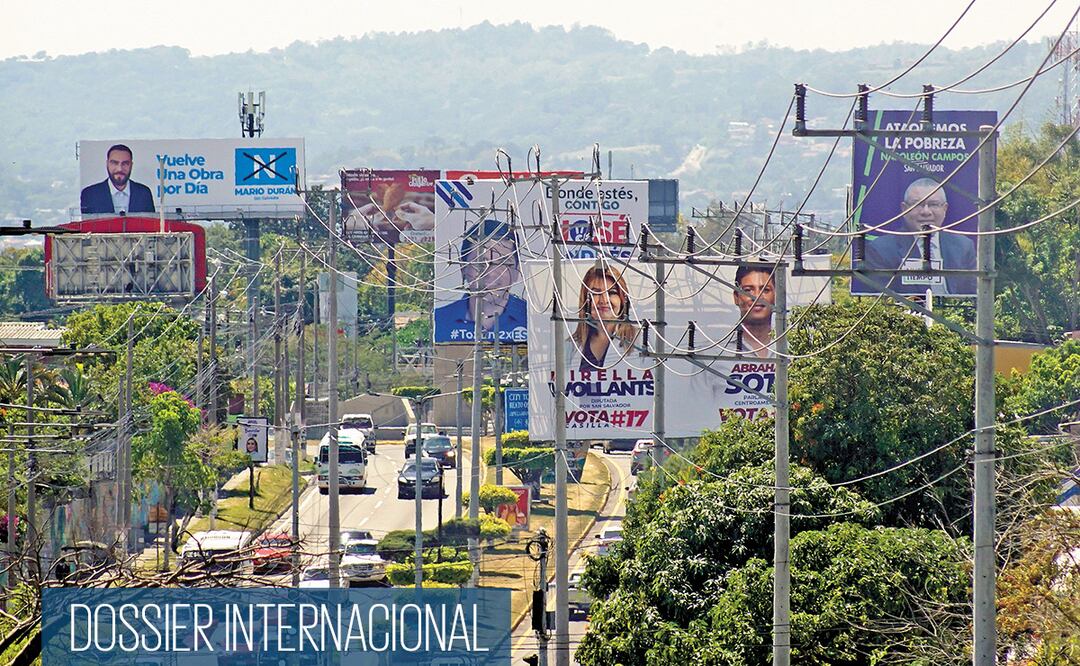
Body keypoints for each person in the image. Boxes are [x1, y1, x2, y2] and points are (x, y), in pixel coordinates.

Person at [863, 177, 976, 295]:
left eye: (934, 204)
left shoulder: (964, 246)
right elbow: (880, 300)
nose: (926, 212)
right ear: (904, 209)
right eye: (917, 205)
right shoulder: (880, 249)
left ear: (945, 209)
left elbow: (973, 295)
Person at [434, 218, 528, 342]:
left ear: (517, 270)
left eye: (503, 263)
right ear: (463, 268)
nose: (491, 273)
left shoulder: (532, 319)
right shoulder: (438, 320)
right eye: (480, 263)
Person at [567, 265, 638, 371]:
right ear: (584, 300)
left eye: (612, 293)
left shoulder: (640, 340)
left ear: (623, 299)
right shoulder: (569, 346)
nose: (604, 300)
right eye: (596, 293)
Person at [80, 144, 156, 215]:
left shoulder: (144, 193)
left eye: (125, 163)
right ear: (107, 164)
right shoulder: (90, 194)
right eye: (114, 163)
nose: (120, 169)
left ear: (131, 165)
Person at [732, 264, 776, 359]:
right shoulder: (712, 353)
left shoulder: (794, 350)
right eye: (748, 290)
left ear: (777, 296)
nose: (757, 297)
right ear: (736, 297)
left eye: (765, 290)